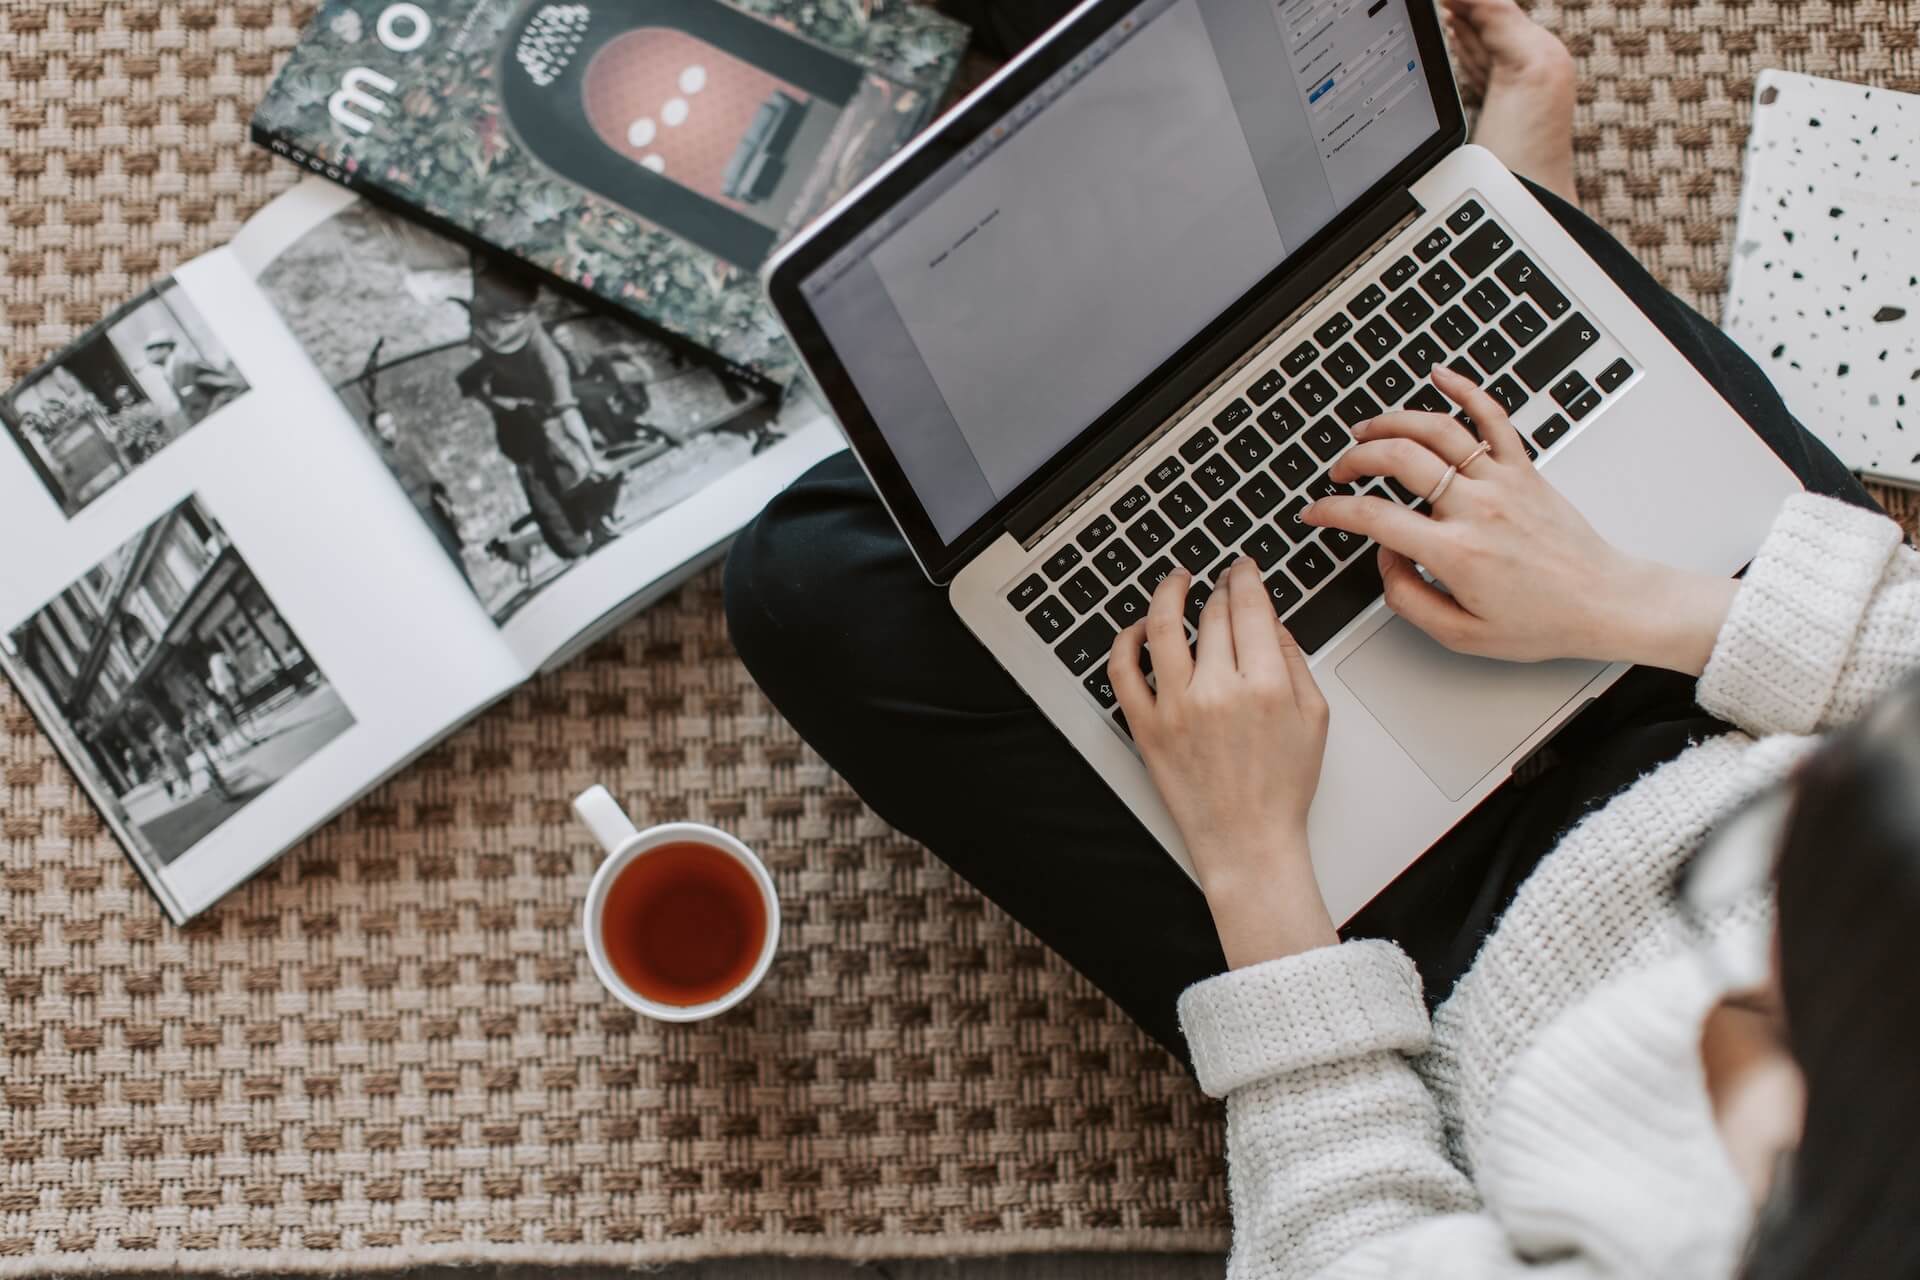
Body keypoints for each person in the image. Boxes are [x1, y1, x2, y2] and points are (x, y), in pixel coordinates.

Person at [721, 0, 1920, 1273]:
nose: (1719, 978)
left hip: (1413, 960)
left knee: (815, 578)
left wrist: (1253, 866)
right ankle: (1476, 237)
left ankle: (1462, 237)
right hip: (1735, 679)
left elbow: (1344, 1240)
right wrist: (1618, 593)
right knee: (1477, 249)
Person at [455, 268, 622, 560]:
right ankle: (577, 540)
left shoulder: (549, 357)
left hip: (541, 415)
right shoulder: (492, 315)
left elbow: (568, 413)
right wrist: (497, 403)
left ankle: (590, 528)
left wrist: (590, 458)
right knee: (541, 481)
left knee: (563, 474)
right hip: (519, 419)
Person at [144, 332, 245, 421]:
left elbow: (229, 387)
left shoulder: (186, 365)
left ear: (165, 348)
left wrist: (212, 416)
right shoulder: (169, 373)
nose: (148, 355)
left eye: (150, 349)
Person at [107, 385, 168, 461]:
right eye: (126, 396)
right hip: (146, 445)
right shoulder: (124, 415)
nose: (130, 396)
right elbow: (131, 433)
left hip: (155, 438)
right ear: (122, 401)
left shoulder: (138, 406)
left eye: (129, 393)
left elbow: (154, 418)